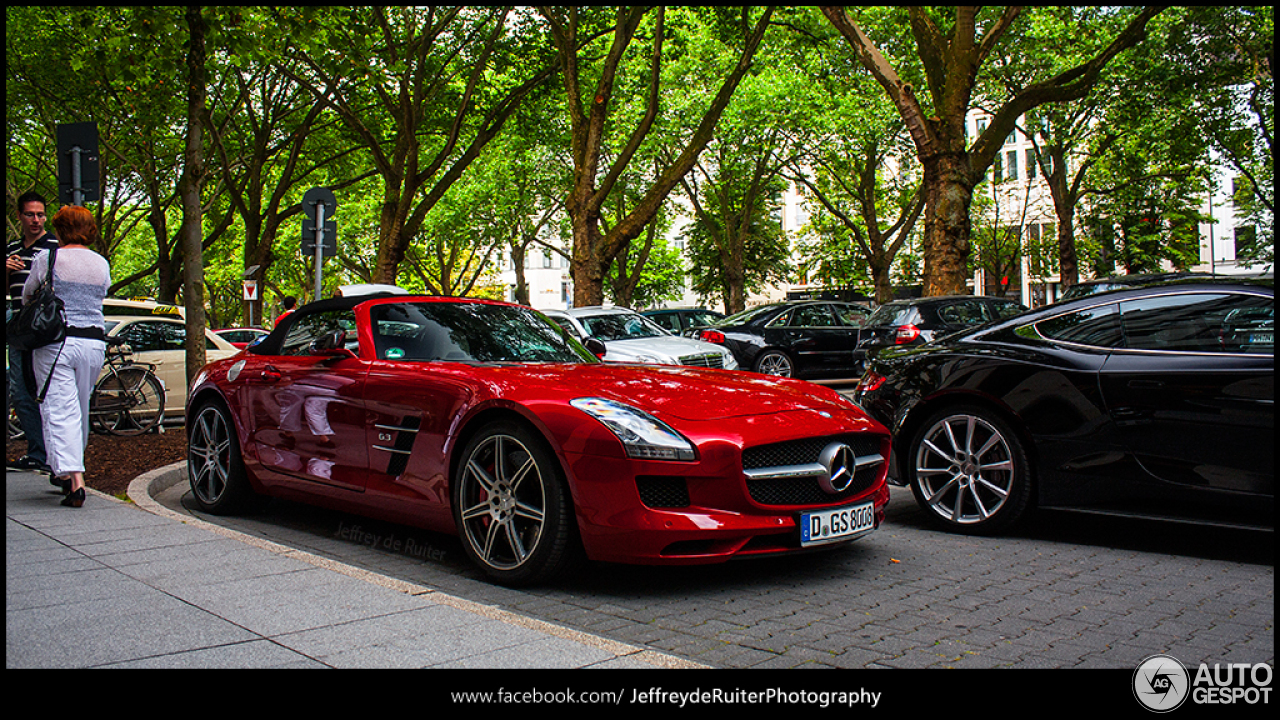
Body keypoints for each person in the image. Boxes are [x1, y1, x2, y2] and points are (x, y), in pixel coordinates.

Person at [24, 206, 110, 508]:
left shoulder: (48, 258)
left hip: (57, 341)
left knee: (60, 409)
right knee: (80, 407)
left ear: (60, 229)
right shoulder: (101, 263)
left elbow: (27, 295)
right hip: (93, 344)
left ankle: (75, 479)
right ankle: (69, 472)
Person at [6, 191, 59, 474]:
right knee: (20, 389)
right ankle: (37, 452)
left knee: (47, 390)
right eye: (30, 214)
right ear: (20, 216)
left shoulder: (54, 246)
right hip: (17, 324)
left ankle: (55, 457)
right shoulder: (12, 248)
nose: (36, 220)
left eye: (40, 214)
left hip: (44, 327)